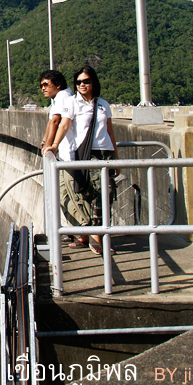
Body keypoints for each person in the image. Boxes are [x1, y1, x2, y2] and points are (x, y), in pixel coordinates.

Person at [71, 66, 119, 255]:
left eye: (86, 81)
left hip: (106, 153)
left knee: (107, 193)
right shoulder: (73, 103)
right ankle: (96, 237)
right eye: (79, 82)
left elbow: (110, 130)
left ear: (93, 82)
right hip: (87, 154)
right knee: (97, 193)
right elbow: (63, 125)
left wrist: (116, 156)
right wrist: (52, 144)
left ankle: (98, 235)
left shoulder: (103, 104)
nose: (82, 84)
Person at [40, 70, 88, 248]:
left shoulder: (63, 97)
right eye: (41, 85)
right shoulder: (61, 97)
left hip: (71, 155)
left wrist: (49, 144)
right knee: (64, 195)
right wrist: (45, 141)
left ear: (58, 84)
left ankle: (84, 233)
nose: (43, 88)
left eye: (46, 84)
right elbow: (51, 122)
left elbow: (56, 121)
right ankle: (77, 231)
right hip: (66, 155)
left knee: (71, 196)